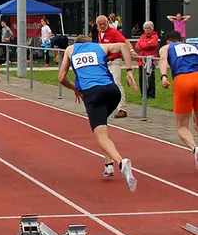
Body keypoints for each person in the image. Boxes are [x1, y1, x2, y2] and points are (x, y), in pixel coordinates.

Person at [58, 34, 139, 191]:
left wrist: (76, 89)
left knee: (100, 134)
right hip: (112, 91)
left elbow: (61, 78)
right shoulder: (100, 46)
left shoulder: (70, 49)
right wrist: (129, 72)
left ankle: (121, 163)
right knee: (103, 125)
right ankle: (108, 165)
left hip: (92, 93)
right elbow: (123, 46)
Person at [158, 31, 198, 166]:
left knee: (182, 127)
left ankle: (195, 148)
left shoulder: (167, 48)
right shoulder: (193, 47)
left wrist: (163, 75)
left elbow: (163, 59)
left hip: (183, 80)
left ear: (168, 41)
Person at [95, 15, 128, 118]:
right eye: (100, 24)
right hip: (105, 61)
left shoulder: (114, 32)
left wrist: (130, 50)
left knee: (116, 83)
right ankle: (106, 106)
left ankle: (122, 108)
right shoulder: (100, 33)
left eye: (103, 24)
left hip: (115, 61)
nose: (102, 26)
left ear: (107, 23)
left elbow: (125, 42)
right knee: (103, 84)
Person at [133, 21, 159, 99]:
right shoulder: (142, 36)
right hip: (142, 60)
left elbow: (151, 45)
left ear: (151, 29)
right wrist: (144, 45)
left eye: (148, 28)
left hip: (150, 60)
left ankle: (151, 94)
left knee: (150, 78)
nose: (146, 30)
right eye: (145, 28)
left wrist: (143, 45)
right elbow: (137, 46)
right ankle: (143, 93)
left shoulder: (155, 36)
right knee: (141, 78)